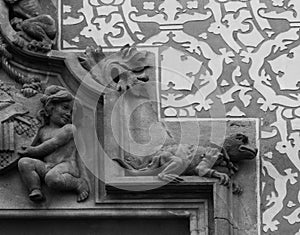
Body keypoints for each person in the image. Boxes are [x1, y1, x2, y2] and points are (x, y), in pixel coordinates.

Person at [18, 85, 89, 202]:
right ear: (51, 107)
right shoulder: (42, 130)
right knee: (24, 163)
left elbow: (52, 144)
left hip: (66, 166)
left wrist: (33, 151)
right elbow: (28, 140)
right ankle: (35, 189)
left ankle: (78, 183)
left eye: (72, 113)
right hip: (48, 166)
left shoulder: (69, 129)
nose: (68, 114)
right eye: (65, 108)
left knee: (52, 178)